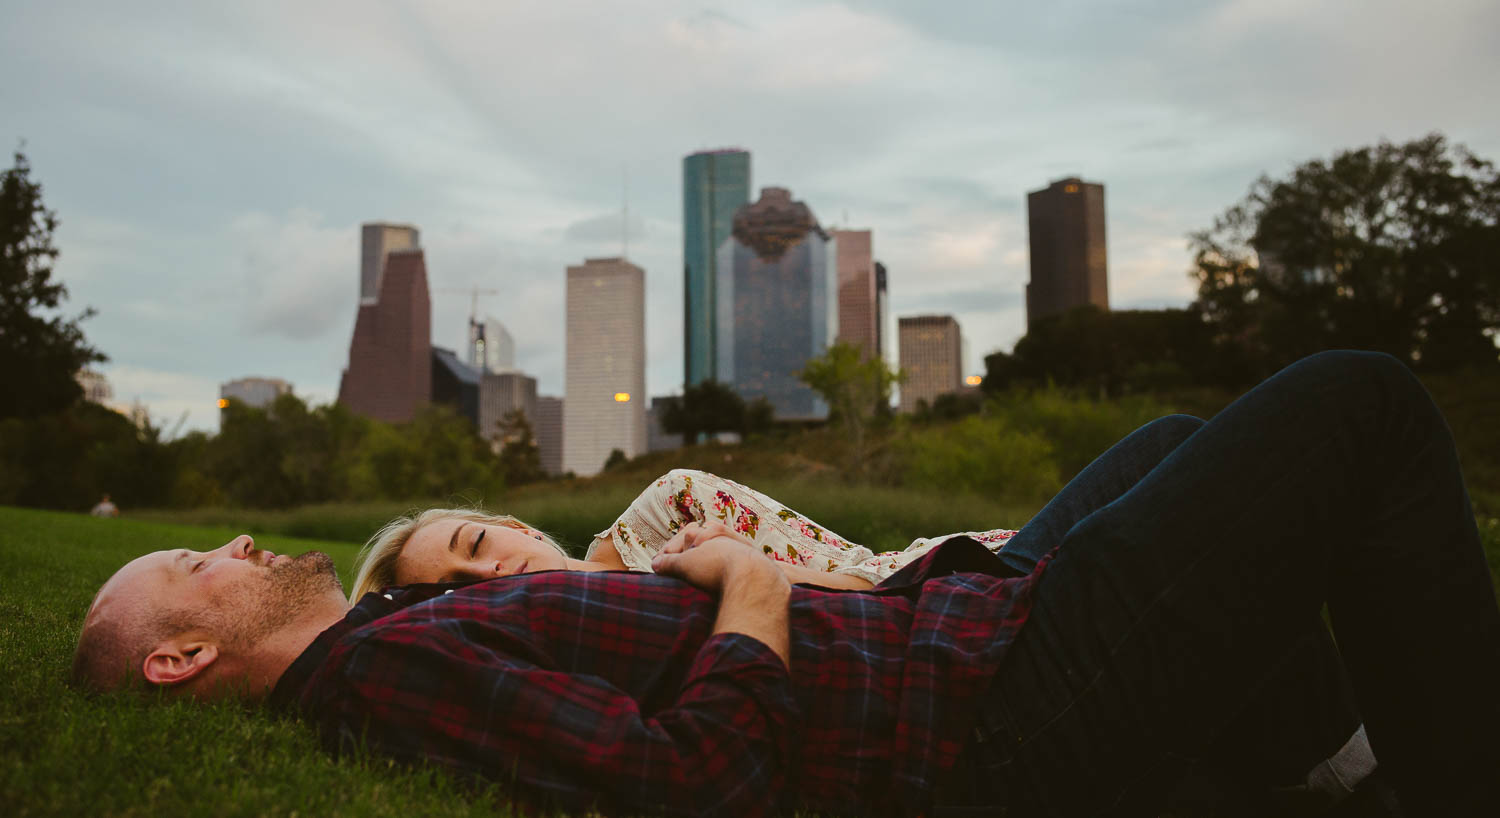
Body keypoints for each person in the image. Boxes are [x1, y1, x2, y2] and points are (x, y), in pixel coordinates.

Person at [71, 352, 1500, 816]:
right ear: (180, 659)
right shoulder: (380, 673)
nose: (239, 546)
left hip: (963, 641)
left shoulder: (392, 639)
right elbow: (685, 785)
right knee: (1359, 405)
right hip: (988, 707)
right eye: (203, 566)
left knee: (1210, 479)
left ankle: (1356, 769)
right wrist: (751, 596)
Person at [350, 415, 1205, 599]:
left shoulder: (664, 507)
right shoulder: (615, 619)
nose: (486, 566)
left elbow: (858, 569)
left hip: (921, 564)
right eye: (457, 585)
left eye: (475, 540)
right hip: (945, 596)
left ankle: (1328, 748)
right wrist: (740, 570)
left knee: (1177, 453)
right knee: (1176, 467)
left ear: (518, 525)